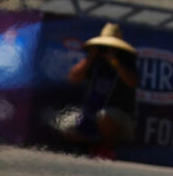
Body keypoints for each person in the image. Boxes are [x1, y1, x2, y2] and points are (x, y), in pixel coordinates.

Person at [58, 22, 138, 154]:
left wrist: (114, 60)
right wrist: (90, 58)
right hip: (90, 114)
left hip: (120, 120)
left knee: (105, 116)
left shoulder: (126, 61)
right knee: (64, 125)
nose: (106, 49)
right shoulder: (94, 61)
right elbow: (73, 78)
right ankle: (90, 148)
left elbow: (132, 82)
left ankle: (105, 151)